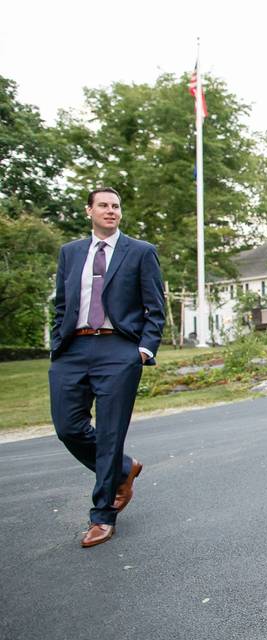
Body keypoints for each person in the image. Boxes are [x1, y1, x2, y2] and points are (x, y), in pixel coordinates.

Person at [48, 187, 165, 548]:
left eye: (116, 206)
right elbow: (62, 304)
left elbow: (155, 306)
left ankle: (102, 516)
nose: (111, 211)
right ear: (90, 211)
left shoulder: (140, 252)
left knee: (110, 434)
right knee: (68, 427)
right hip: (74, 348)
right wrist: (57, 344)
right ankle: (123, 468)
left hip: (118, 349)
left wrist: (143, 350)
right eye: (104, 205)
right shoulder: (70, 253)